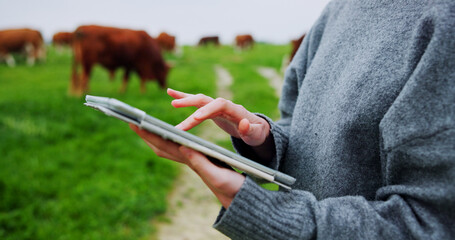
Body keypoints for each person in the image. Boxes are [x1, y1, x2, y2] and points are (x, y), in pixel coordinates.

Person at [130, 0, 455, 239]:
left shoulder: (444, 22)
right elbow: (297, 121)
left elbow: (431, 223)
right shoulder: (338, 10)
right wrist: (263, 139)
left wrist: (271, 215)